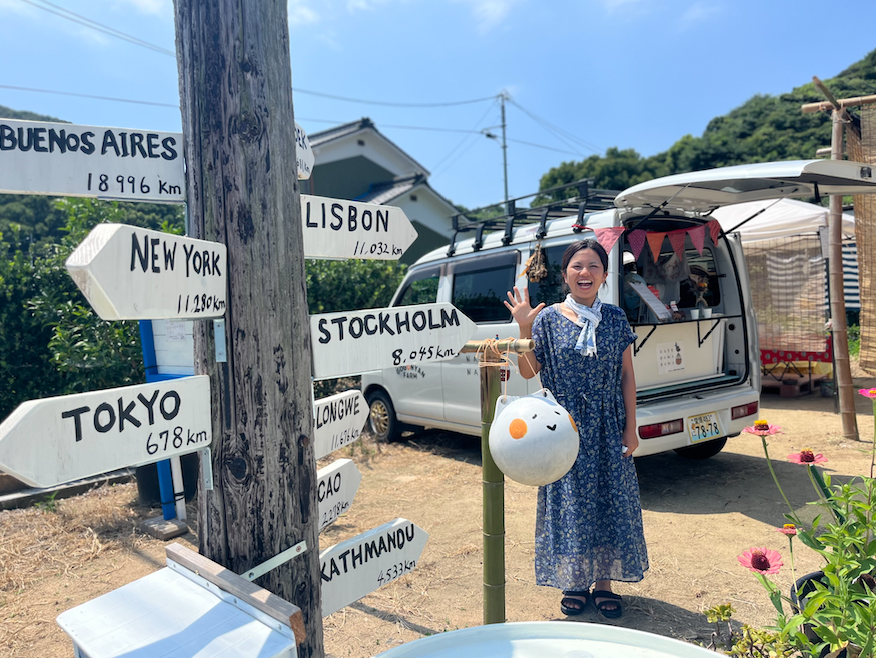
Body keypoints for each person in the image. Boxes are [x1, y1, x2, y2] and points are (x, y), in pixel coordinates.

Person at [504, 239, 649, 618]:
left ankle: (604, 582)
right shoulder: (548, 319)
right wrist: (524, 329)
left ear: (604, 274)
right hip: (562, 427)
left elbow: (628, 377)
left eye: (593, 267)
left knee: (608, 501)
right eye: (577, 267)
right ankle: (574, 580)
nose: (585, 273)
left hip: (608, 423)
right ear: (565, 273)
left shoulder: (615, 318)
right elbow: (529, 372)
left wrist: (631, 427)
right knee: (569, 504)